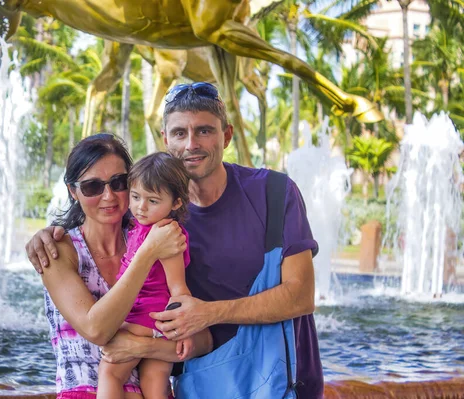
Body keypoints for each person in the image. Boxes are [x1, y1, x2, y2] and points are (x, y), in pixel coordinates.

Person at [27, 83, 324, 399]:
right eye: (180, 133)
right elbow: (96, 221)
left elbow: (301, 296)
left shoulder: (272, 193)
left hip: (281, 385)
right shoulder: (148, 218)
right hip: (200, 386)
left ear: (226, 135)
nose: (191, 144)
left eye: (205, 131)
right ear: (165, 139)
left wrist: (206, 313)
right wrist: (46, 235)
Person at [36, 133, 212, 399]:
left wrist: (141, 347)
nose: (108, 195)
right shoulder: (58, 250)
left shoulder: (156, 235)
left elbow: (203, 341)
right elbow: (97, 329)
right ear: (73, 191)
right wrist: (148, 252)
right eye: (92, 187)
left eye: (118, 183)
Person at [98, 152, 195, 399]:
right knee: (155, 385)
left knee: (110, 373)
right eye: (135, 196)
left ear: (176, 203)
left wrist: (185, 331)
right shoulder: (141, 225)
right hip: (155, 324)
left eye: (152, 201)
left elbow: (179, 289)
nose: (141, 207)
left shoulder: (166, 235)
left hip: (142, 319)